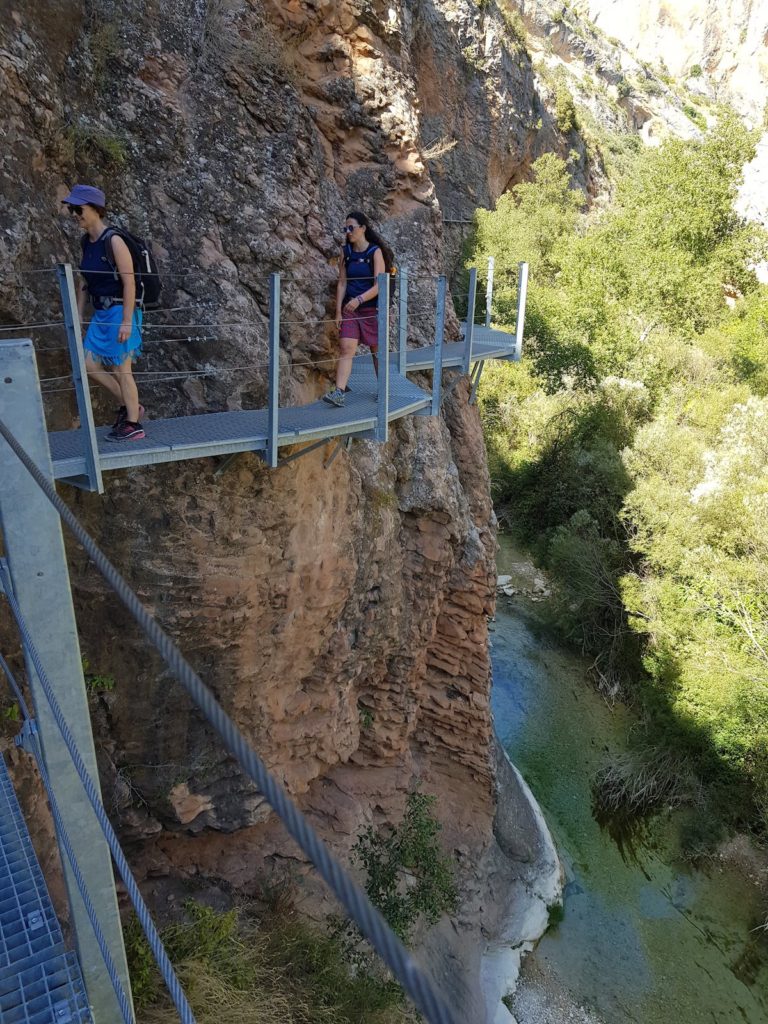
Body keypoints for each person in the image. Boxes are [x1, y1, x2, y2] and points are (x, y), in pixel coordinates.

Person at [61, 184, 146, 441]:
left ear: (96, 210)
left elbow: (129, 282)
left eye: (79, 209)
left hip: (120, 311)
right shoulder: (87, 242)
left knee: (122, 369)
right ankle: (131, 406)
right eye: (72, 209)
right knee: (87, 364)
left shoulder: (114, 241)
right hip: (101, 315)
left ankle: (133, 425)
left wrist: (127, 322)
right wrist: (77, 313)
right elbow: (86, 281)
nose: (75, 214)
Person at [323, 210, 391, 408]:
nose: (348, 232)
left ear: (363, 228)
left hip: (371, 309)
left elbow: (380, 285)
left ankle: (383, 390)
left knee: (376, 352)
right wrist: (338, 311)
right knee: (346, 348)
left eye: (351, 228)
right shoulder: (347, 252)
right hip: (350, 309)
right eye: (345, 228)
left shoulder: (374, 252)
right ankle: (339, 393)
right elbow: (342, 282)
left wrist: (360, 300)